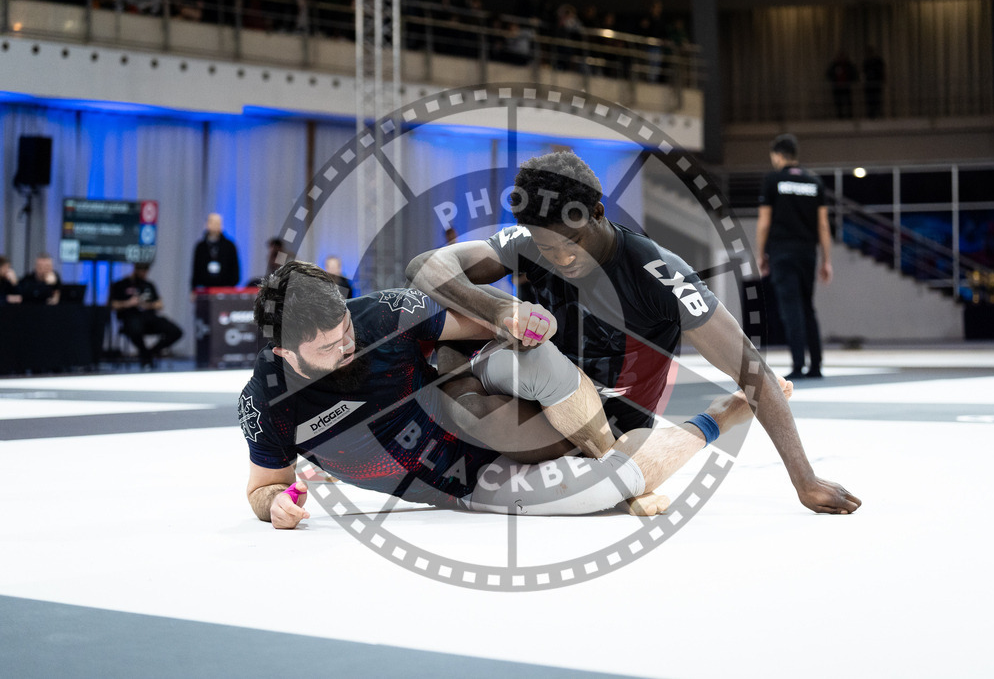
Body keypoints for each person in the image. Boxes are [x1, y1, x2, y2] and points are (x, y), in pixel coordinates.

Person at [406, 150, 858, 515]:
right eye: (547, 247)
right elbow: (425, 267)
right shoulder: (528, 242)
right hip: (545, 388)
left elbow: (753, 371)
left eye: (572, 242)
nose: (561, 259)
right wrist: (499, 306)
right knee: (455, 371)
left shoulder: (661, 275)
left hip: (613, 420)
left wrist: (805, 480)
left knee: (502, 432)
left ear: (597, 213)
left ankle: (718, 416)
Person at [242, 261, 842, 529]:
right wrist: (277, 507)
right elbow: (264, 487)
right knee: (606, 491)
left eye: (345, 331)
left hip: (479, 400)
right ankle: (722, 414)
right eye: (327, 347)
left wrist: (516, 316)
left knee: (516, 363)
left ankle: (597, 418)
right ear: (282, 354)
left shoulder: (377, 316)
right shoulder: (265, 405)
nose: (345, 347)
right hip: (465, 486)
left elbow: (481, 323)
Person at [755, 134, 832, 380]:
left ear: (777, 155)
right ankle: (816, 365)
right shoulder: (813, 182)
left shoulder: (773, 180)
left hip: (782, 253)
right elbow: (823, 225)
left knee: (791, 309)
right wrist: (826, 260)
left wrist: (761, 254)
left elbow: (764, 223)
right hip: (807, 254)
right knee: (808, 307)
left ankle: (798, 365)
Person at [110, 262, 184, 368]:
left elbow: (159, 304)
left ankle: (149, 353)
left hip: (149, 318)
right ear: (135, 269)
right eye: (142, 271)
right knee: (134, 328)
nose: (144, 273)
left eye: (146, 271)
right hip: (130, 318)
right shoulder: (121, 284)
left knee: (176, 331)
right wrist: (129, 303)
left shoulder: (148, 285)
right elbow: (112, 305)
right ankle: (145, 353)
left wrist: (146, 305)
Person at [190, 213, 240, 298]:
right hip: (204, 291)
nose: (215, 226)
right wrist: (194, 289)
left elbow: (235, 269)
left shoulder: (229, 246)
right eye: (213, 223)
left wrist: (230, 288)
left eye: (218, 223)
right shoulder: (200, 246)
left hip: (224, 292)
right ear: (207, 225)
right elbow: (195, 270)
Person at [826, 51, 858, 118]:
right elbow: (828, 74)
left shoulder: (849, 65)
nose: (841, 58)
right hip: (837, 87)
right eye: (840, 56)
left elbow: (854, 74)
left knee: (848, 102)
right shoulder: (834, 65)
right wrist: (834, 80)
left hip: (846, 86)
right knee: (838, 103)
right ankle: (840, 116)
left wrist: (850, 80)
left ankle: (849, 116)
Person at [863, 46, 886, 120]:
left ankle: (878, 114)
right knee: (870, 100)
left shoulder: (878, 61)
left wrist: (882, 79)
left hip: (876, 83)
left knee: (877, 100)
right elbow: (863, 72)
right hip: (869, 84)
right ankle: (871, 115)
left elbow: (882, 71)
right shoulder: (866, 62)